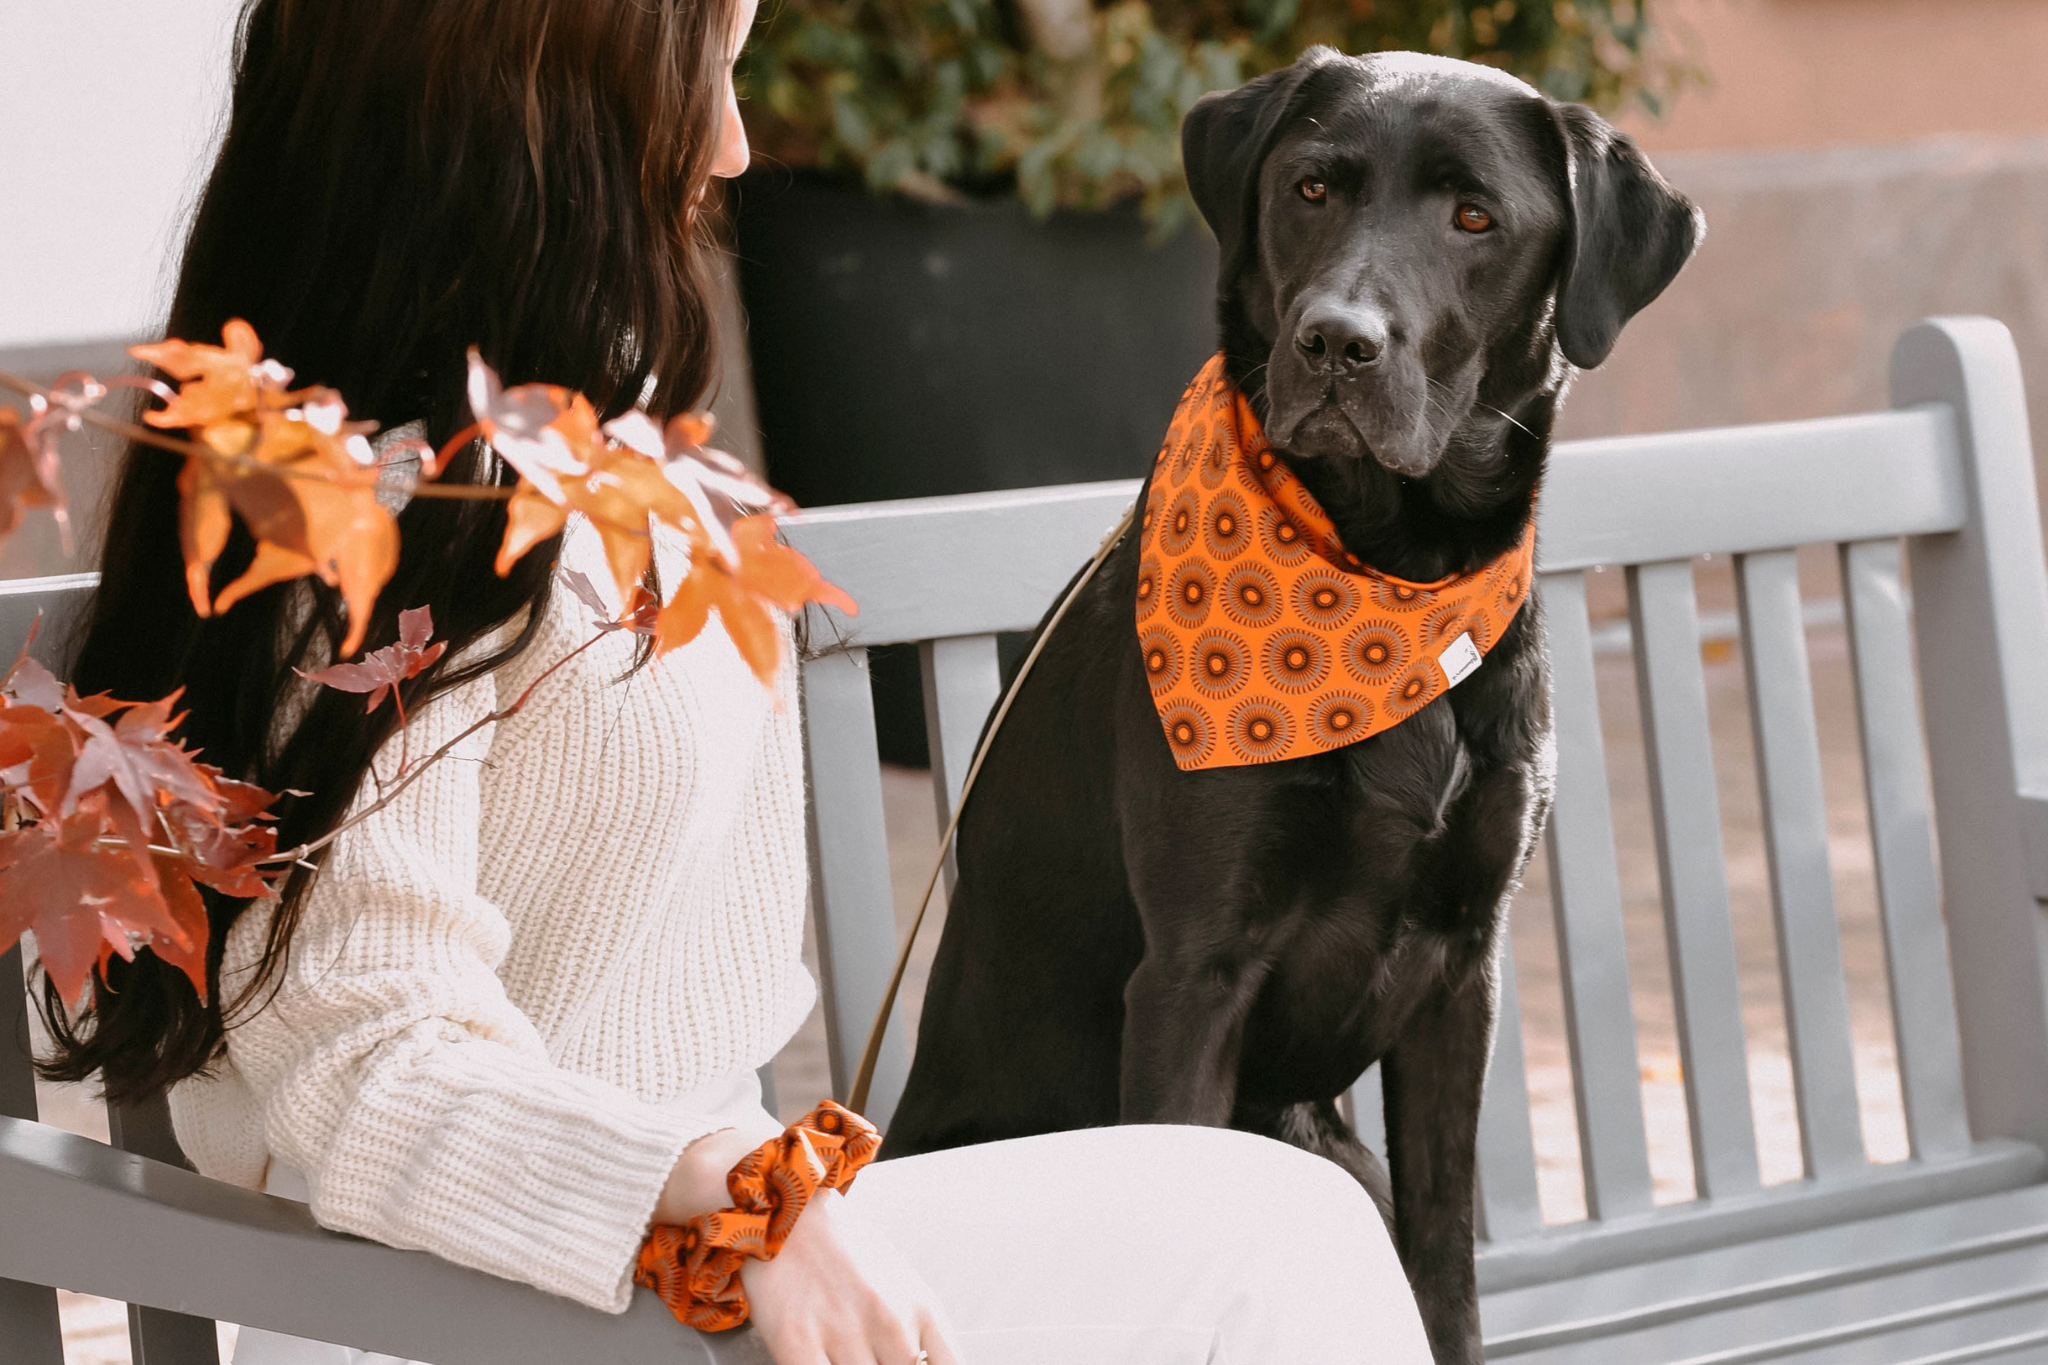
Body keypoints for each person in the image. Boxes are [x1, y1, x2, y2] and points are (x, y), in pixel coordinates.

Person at [46, 1, 1435, 1361]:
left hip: (681, 1268)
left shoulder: (602, 474)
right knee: (1269, 1238)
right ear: (519, 122)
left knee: (1272, 1222)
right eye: (705, 73)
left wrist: (749, 1202)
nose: (732, 149)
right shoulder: (347, 523)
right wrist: (739, 1190)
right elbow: (359, 1060)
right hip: (461, 1306)